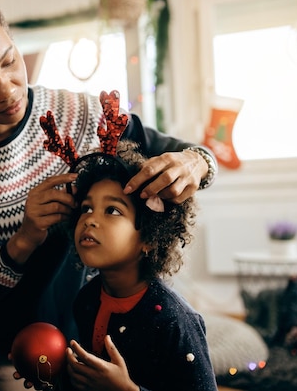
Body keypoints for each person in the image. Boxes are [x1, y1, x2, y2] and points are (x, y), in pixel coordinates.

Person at [0, 0, 217, 390]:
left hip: (93, 331)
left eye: (9, 60)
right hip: (1, 348)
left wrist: (194, 162)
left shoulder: (80, 114)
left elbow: (180, 151)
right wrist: (24, 239)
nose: (6, 90)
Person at [63, 140, 217, 391]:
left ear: (148, 238)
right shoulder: (86, 300)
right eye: (86, 208)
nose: (90, 219)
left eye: (112, 210)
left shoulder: (175, 321)